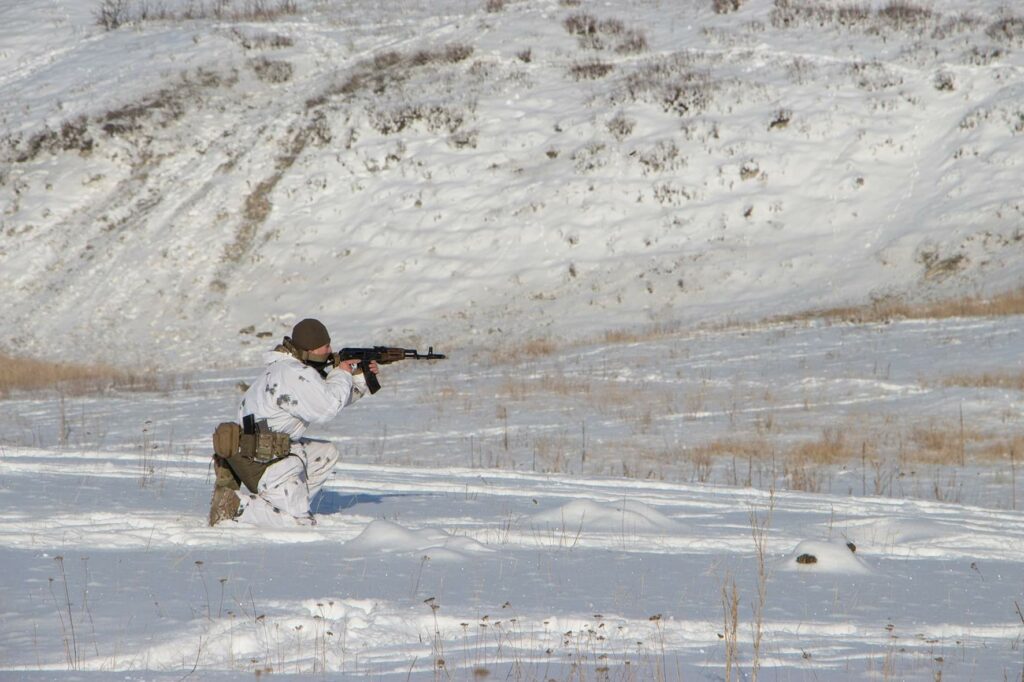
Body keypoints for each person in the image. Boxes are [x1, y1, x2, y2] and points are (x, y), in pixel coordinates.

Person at [209, 318, 378, 527]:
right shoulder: (293, 374)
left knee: (325, 454)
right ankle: (233, 508)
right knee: (298, 524)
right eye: (326, 346)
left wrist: (358, 379)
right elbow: (327, 408)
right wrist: (342, 372)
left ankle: (290, 500)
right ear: (312, 348)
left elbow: (327, 398)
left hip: (259, 450)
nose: (330, 350)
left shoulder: (288, 370)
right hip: (262, 458)